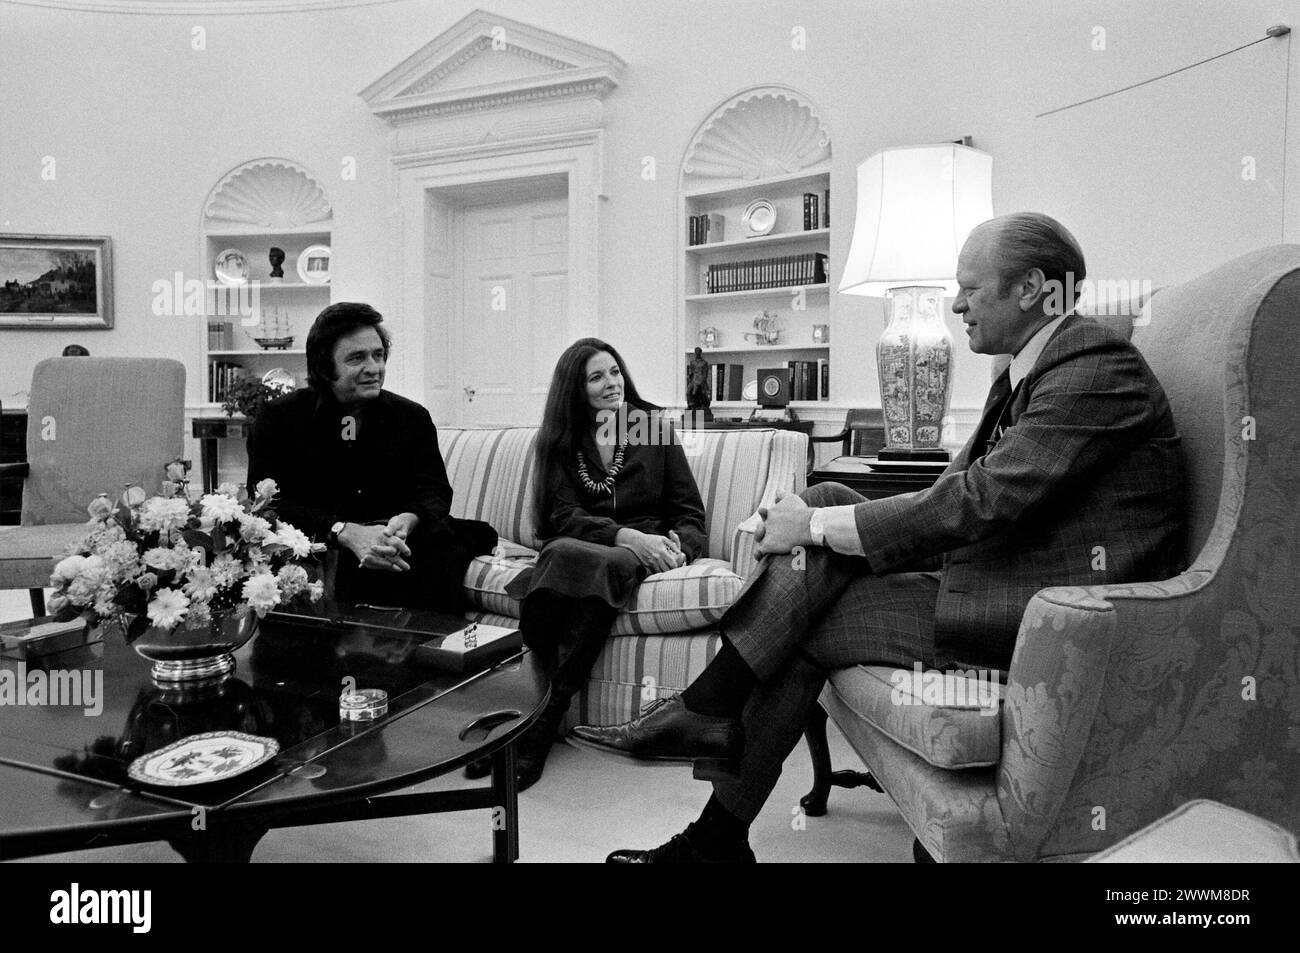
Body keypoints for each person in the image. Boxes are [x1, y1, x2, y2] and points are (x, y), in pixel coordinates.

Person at [572, 213, 1188, 862]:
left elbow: (981, 501)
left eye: (971, 289)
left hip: (1051, 614)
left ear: (1032, 287)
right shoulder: (1028, 370)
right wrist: (814, 519)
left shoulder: (1093, 366)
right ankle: (709, 745)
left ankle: (712, 788)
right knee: (829, 500)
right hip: (1004, 575)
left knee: (802, 612)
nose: (956, 304)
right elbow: (954, 493)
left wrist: (808, 528)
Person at [468, 338, 708, 791]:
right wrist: (625, 536)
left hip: (629, 554)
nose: (611, 383)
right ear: (575, 389)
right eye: (596, 377)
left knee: (602, 562)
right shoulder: (561, 437)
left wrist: (680, 546)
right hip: (585, 546)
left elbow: (689, 512)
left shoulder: (651, 426)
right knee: (565, 552)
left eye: (615, 372)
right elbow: (559, 517)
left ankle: (536, 727)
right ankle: (536, 720)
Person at [247, 302, 492, 613]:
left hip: (402, 542)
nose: (374, 368)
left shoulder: (412, 417)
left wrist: (407, 520)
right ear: (324, 367)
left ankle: (433, 652)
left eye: (378, 355)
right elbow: (268, 504)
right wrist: (344, 531)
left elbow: (435, 491)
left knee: (440, 546)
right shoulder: (280, 418)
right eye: (356, 358)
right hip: (320, 540)